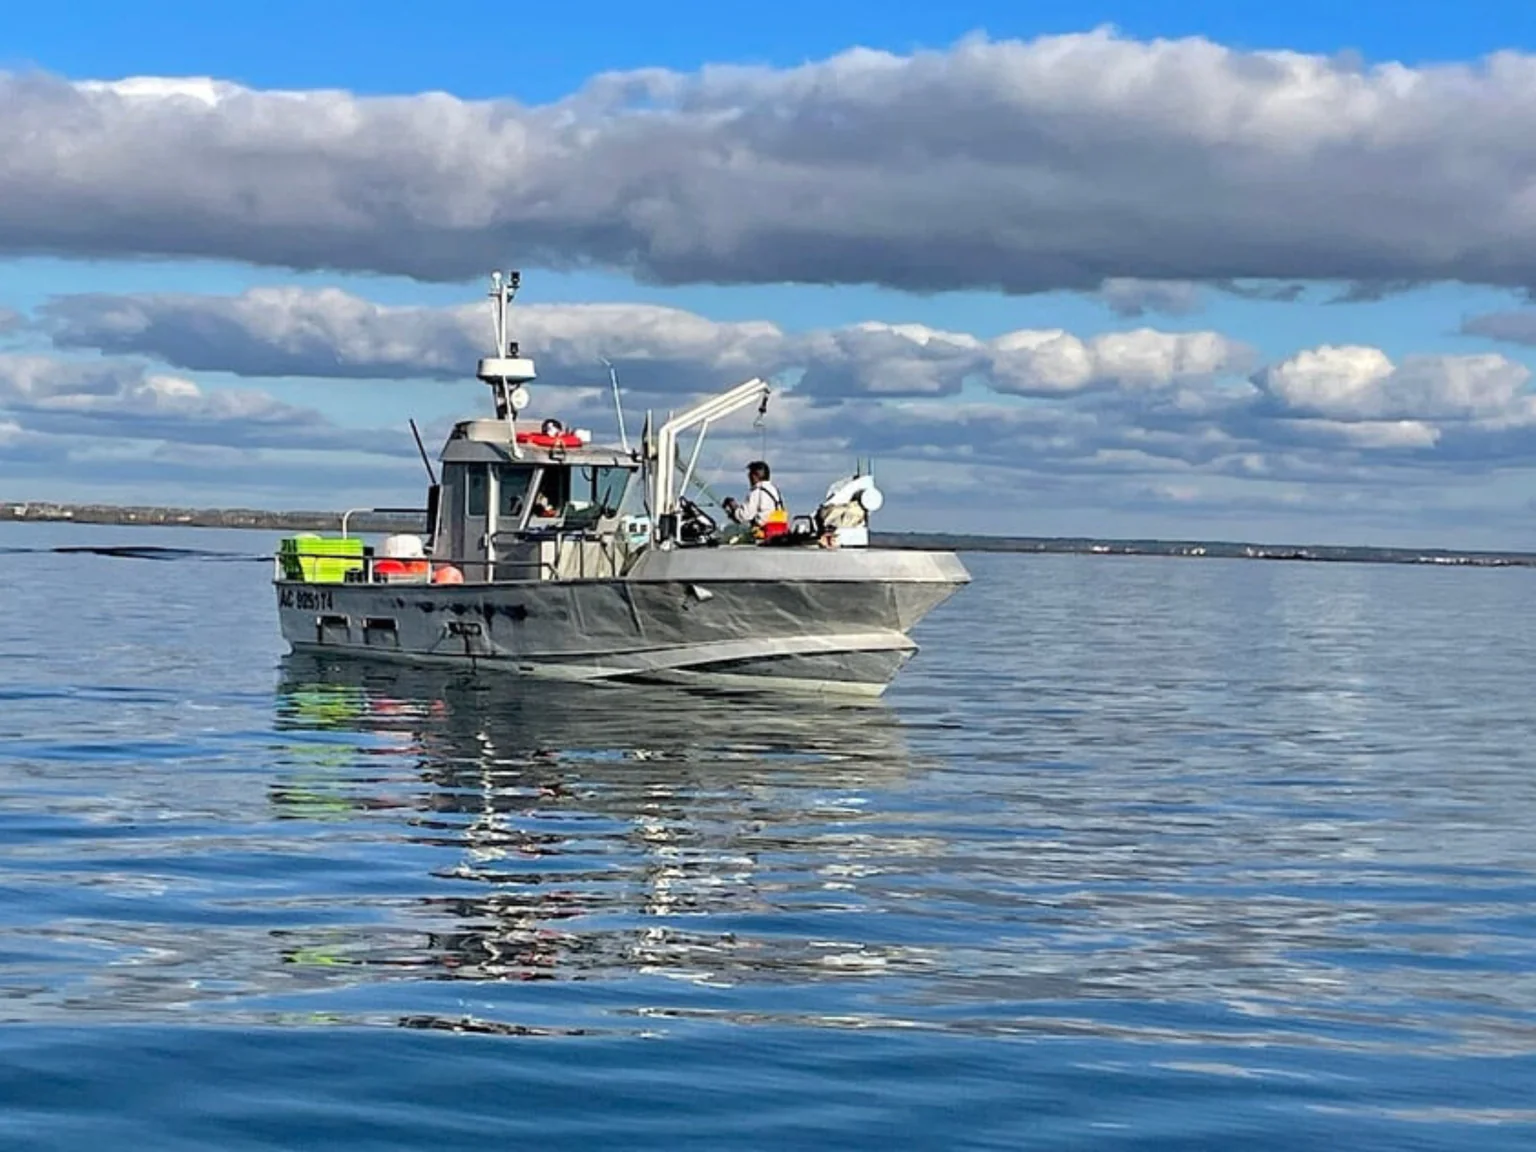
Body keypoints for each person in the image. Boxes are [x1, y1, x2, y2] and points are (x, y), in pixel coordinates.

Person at [722, 460, 789, 540]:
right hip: (781, 533)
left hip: (765, 535)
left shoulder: (757, 492)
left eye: (750, 475)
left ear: (755, 476)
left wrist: (732, 505)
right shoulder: (775, 490)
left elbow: (744, 516)